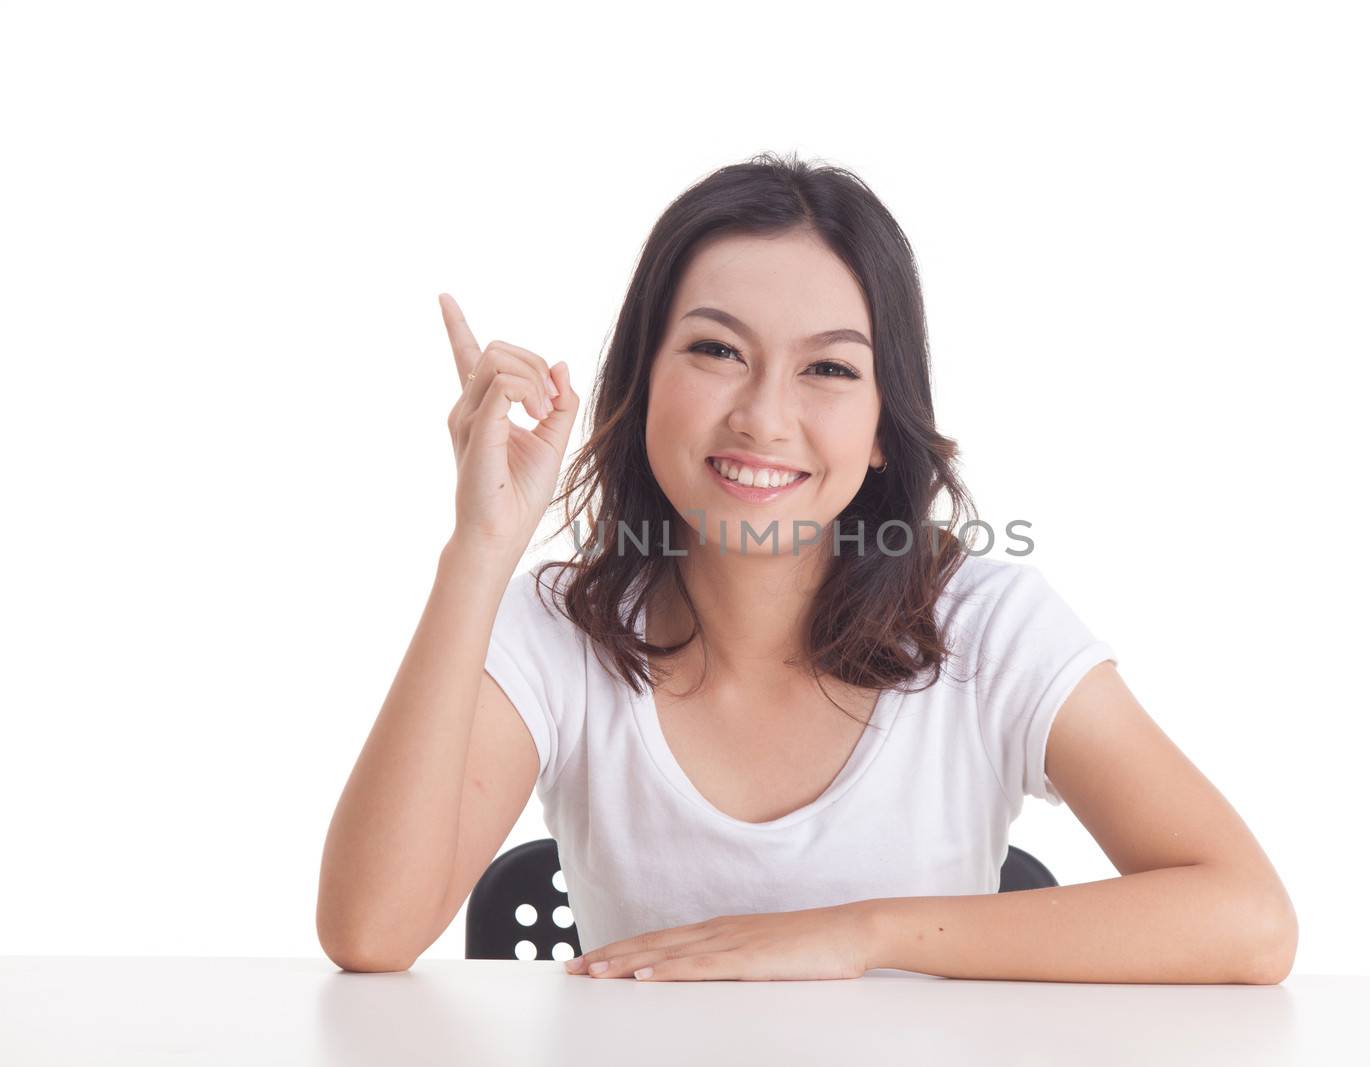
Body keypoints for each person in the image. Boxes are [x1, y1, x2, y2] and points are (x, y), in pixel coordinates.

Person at [316, 152, 1297, 984]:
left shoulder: (988, 626)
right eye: (714, 350)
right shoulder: (560, 626)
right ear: (642, 380)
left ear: (881, 426)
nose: (762, 416)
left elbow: (1249, 918)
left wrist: (854, 932)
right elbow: (370, 932)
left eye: (827, 368)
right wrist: (478, 547)